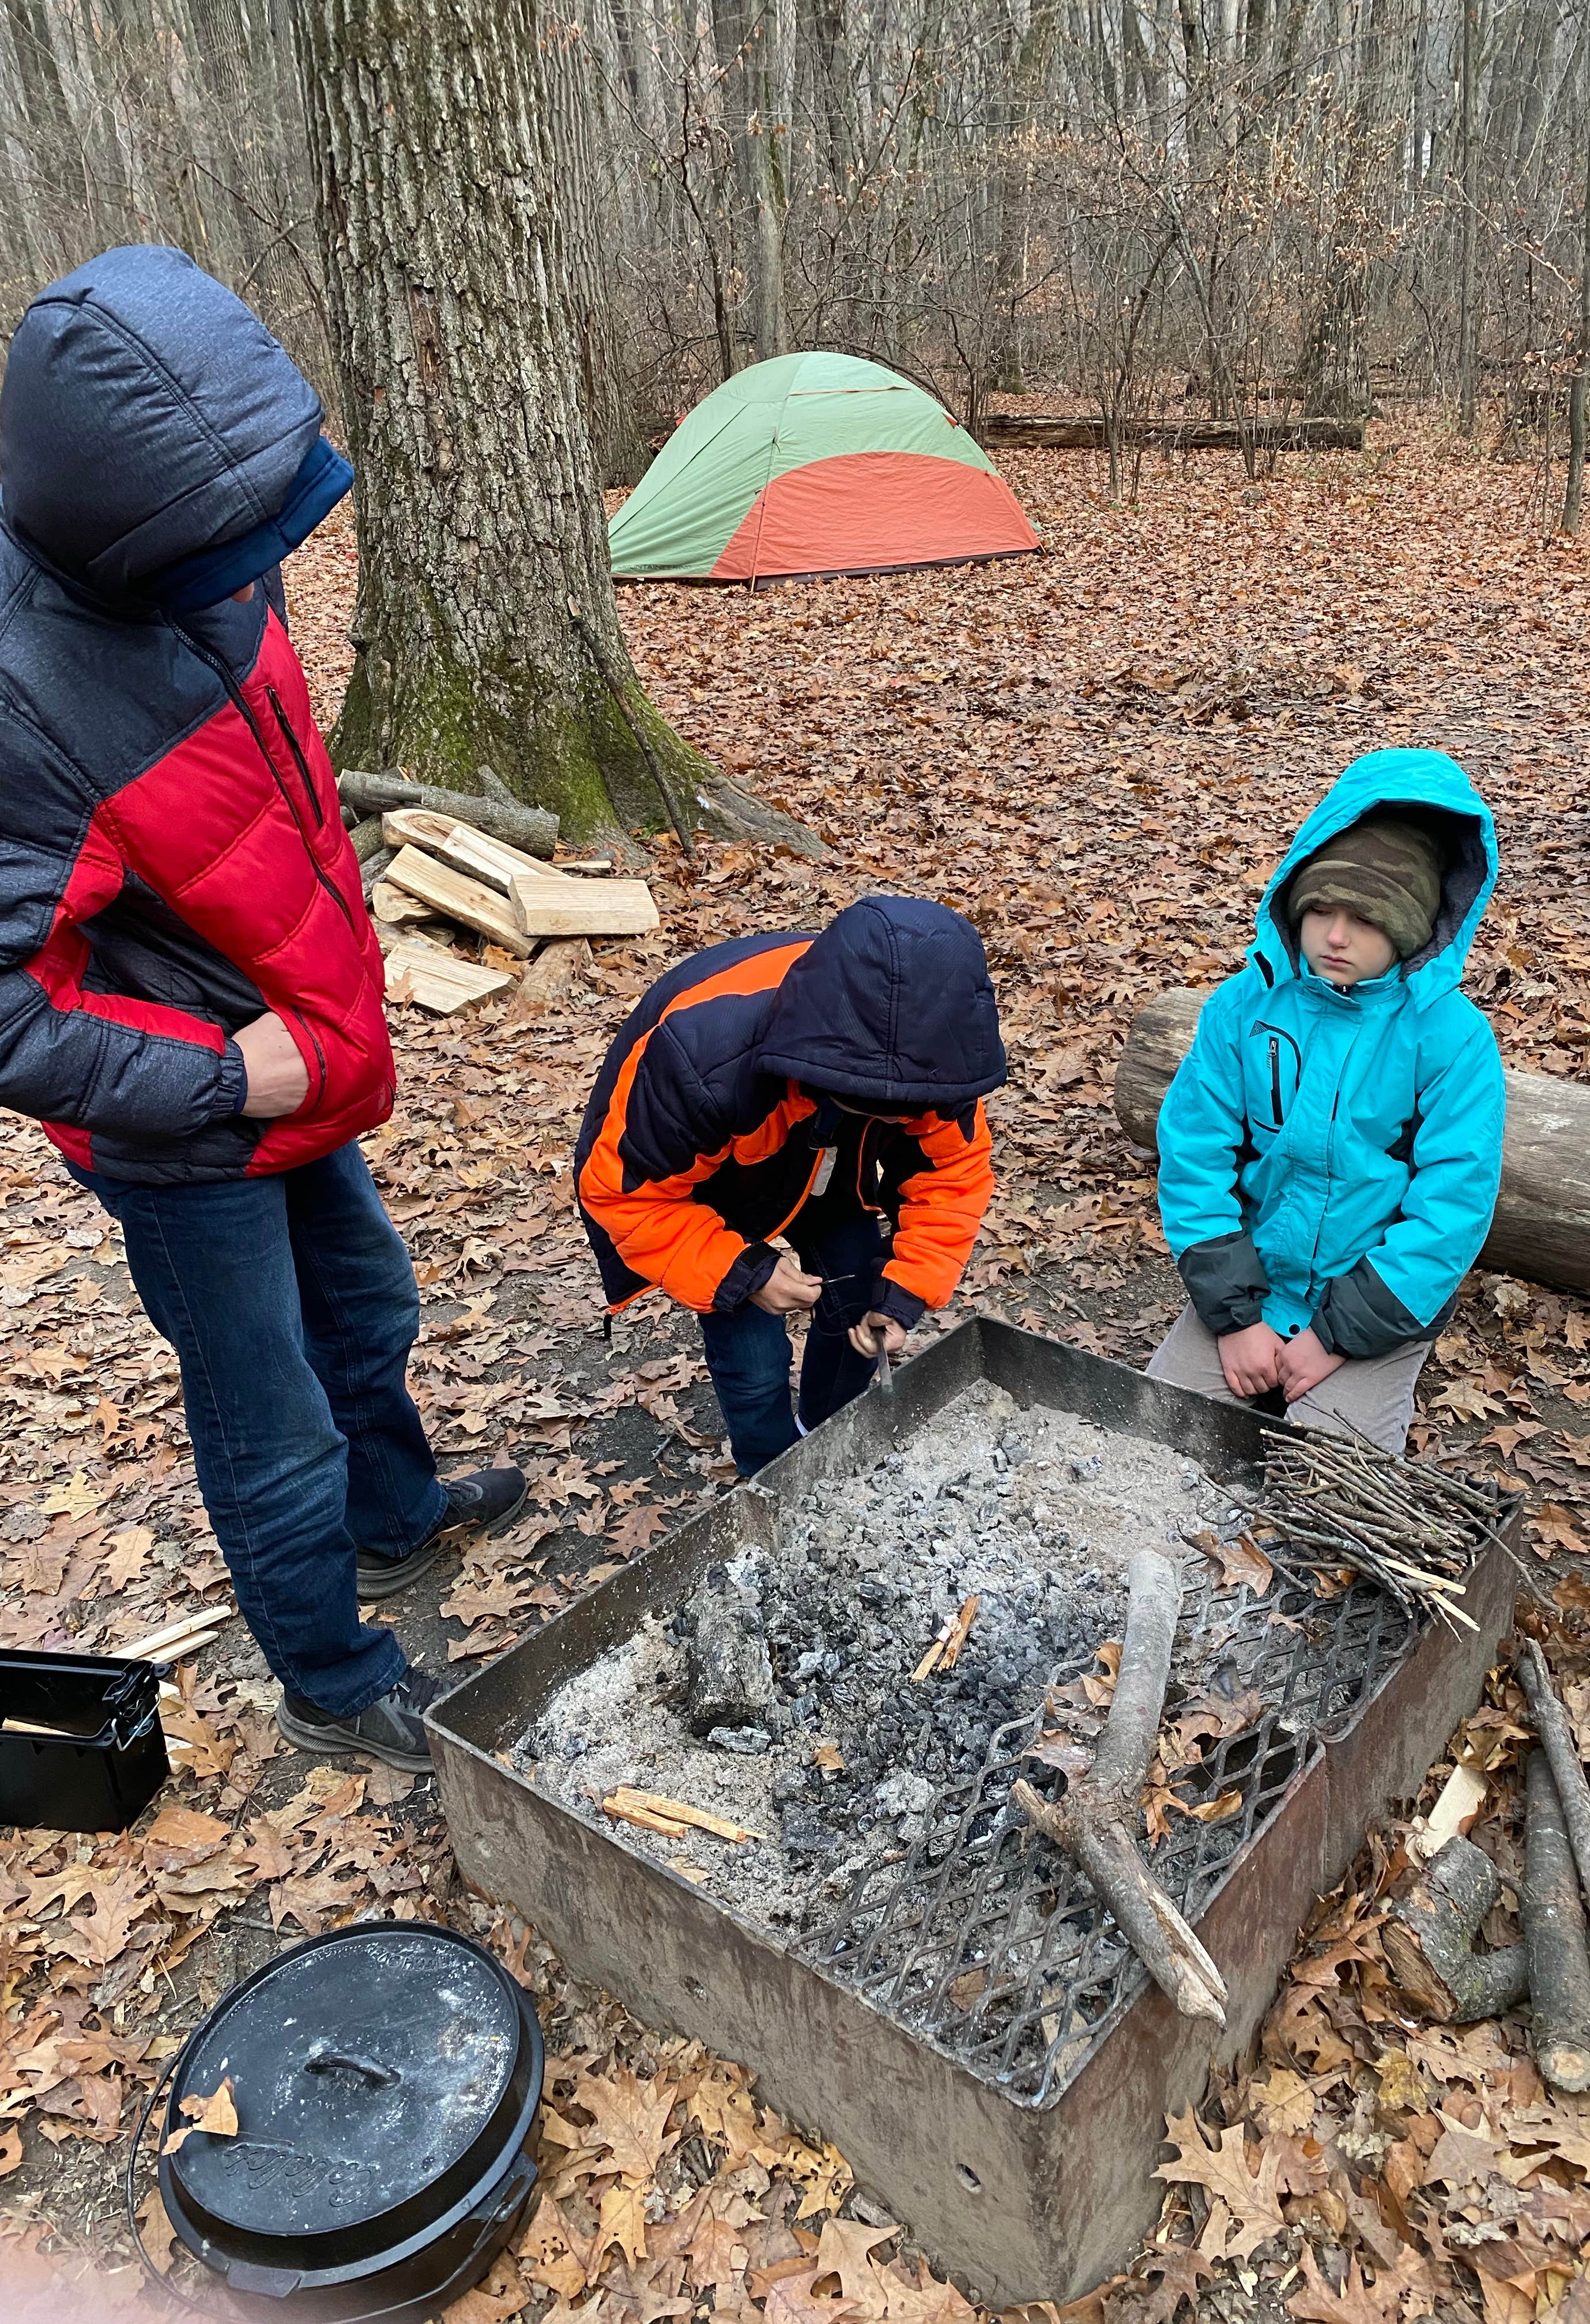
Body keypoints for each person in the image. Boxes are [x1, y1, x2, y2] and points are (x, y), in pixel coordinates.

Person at [0, 247, 524, 1773]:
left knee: (368, 1313)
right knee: (267, 1413)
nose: (258, 568)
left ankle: (398, 1522)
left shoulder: (211, 538)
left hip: (300, 1074)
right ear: (125, 535)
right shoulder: (27, 699)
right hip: (193, 1131)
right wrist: (232, 1073)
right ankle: (329, 1677)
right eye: (229, 543)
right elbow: (12, 1017)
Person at [1147, 747, 1505, 1455]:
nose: (1336, 937)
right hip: (1253, 1282)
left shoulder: (1452, 1040)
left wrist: (1335, 1337)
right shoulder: (1244, 1007)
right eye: (1323, 910)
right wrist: (1236, 1319)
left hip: (1374, 1304)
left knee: (1332, 1475)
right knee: (1155, 1437)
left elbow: (1451, 1208)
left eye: (1368, 920)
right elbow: (1194, 1154)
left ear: (1413, 928)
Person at [574, 897, 1005, 1472]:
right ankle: (770, 1472)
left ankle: (828, 1435)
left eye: (911, 1111)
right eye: (886, 1110)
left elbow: (952, 1175)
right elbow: (624, 1194)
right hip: (710, 1185)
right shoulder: (700, 1057)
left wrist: (904, 1294)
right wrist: (745, 1272)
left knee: (858, 1291)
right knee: (751, 1352)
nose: (910, 1121)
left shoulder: (933, 1050)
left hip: (830, 1161)